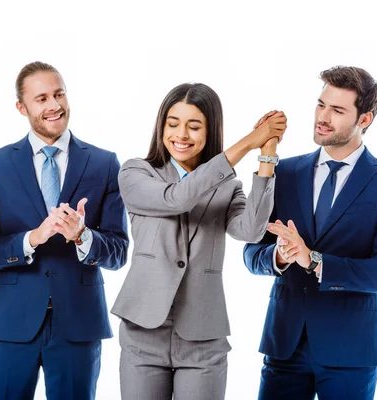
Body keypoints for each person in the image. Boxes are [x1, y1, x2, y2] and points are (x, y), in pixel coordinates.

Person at [243, 66, 377, 399]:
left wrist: (315, 260)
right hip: (285, 346)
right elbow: (251, 253)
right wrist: (277, 256)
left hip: (350, 351)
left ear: (364, 120)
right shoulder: (285, 172)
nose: (322, 116)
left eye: (337, 110)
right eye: (321, 105)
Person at [111, 82, 287, 399]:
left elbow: (250, 231)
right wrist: (247, 143)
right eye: (173, 124)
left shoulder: (227, 187)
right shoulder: (137, 173)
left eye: (194, 126)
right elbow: (176, 199)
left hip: (203, 335)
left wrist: (267, 152)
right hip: (143, 332)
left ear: (210, 130)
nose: (181, 135)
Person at [0, 61, 129, 400]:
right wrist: (32, 239)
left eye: (59, 94)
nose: (54, 105)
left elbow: (119, 252)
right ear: (21, 107)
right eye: (41, 99)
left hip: (78, 323)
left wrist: (83, 236)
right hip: (11, 322)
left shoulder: (104, 163)